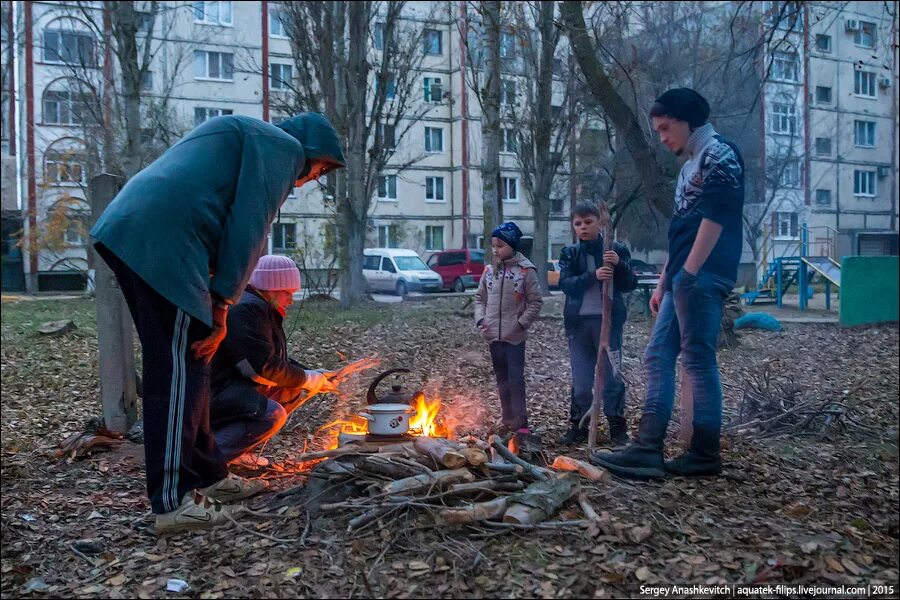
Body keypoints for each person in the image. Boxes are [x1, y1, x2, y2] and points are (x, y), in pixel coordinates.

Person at [90, 113, 345, 533]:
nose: (311, 179)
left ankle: (210, 476)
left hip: (144, 233)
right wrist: (222, 305)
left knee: (192, 367)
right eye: (319, 171)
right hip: (160, 239)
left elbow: (216, 214)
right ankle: (171, 503)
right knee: (175, 371)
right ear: (312, 153)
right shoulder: (282, 148)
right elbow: (249, 229)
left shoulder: (248, 139)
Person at [592, 88, 744, 478]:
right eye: (657, 130)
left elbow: (716, 216)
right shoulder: (689, 166)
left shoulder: (720, 154)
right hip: (685, 276)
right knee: (658, 355)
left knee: (696, 358)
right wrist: (664, 281)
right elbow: (680, 231)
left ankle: (702, 455)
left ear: (686, 120)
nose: (661, 137)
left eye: (665, 128)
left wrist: (690, 273)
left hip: (703, 276)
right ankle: (649, 448)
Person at [210, 255, 333, 469]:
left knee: (292, 389)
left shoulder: (258, 306)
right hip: (213, 393)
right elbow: (262, 367)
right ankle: (204, 462)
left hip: (231, 385)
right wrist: (307, 378)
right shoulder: (247, 309)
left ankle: (238, 451)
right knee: (272, 415)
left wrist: (310, 373)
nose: (291, 300)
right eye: (288, 292)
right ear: (272, 286)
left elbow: (267, 358)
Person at [557, 202, 638, 446]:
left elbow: (629, 284)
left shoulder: (617, 249)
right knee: (581, 382)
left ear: (599, 222)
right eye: (578, 223)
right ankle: (579, 424)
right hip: (579, 326)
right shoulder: (570, 253)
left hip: (609, 325)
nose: (583, 228)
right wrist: (593, 276)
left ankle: (617, 428)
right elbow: (566, 284)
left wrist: (619, 265)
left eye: (588, 222)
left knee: (612, 379)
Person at [474, 222, 543, 435]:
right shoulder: (489, 271)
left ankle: (521, 422)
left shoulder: (525, 271)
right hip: (493, 335)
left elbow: (535, 302)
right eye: (493, 246)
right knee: (502, 378)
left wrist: (521, 323)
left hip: (515, 336)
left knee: (516, 378)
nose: (496, 250)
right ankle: (507, 418)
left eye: (500, 245)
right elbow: (479, 298)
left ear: (512, 245)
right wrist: (481, 320)